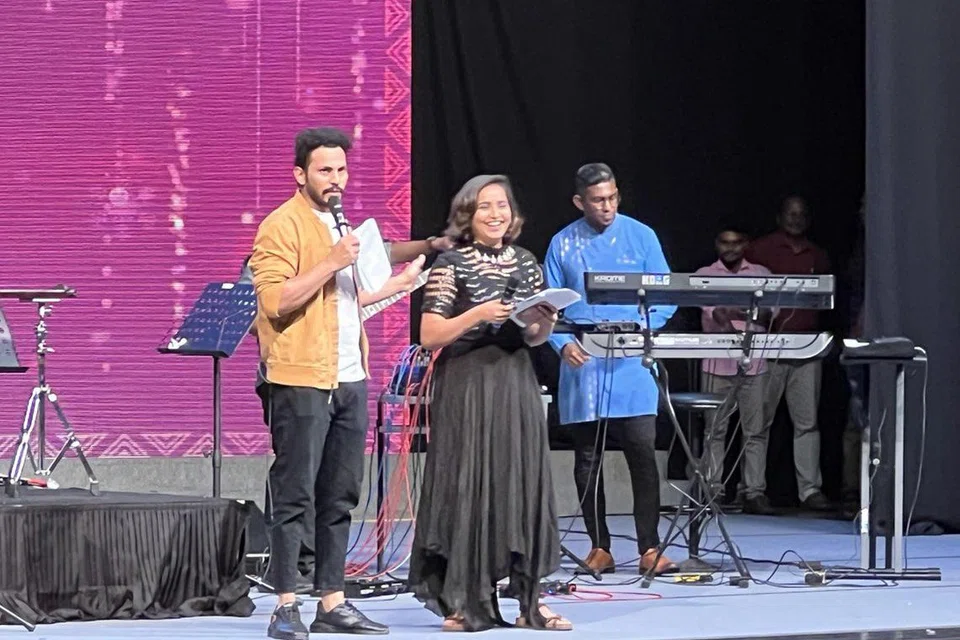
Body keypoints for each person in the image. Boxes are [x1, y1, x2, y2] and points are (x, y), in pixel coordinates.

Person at [250, 126, 427, 638]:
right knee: (295, 495)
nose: (336, 179)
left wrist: (397, 286)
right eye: (325, 170)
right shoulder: (280, 226)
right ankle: (286, 605)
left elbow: (344, 304)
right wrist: (331, 261)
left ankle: (332, 601)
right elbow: (276, 302)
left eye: (342, 170)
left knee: (340, 494)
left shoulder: (341, 225)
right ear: (300, 174)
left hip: (349, 375)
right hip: (300, 377)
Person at [240, 237, 452, 597]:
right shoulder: (273, 250)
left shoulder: (338, 242)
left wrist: (417, 264)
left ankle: (327, 580)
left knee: (337, 483)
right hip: (294, 379)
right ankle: (290, 570)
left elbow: (376, 262)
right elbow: (257, 316)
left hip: (343, 380)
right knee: (298, 476)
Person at [407, 174, 572, 632]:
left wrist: (546, 321)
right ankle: (466, 600)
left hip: (515, 381)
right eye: (485, 207)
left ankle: (529, 601)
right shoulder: (451, 263)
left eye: (502, 205)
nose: (496, 214)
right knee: (469, 483)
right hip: (467, 383)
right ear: (468, 214)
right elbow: (430, 334)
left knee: (519, 481)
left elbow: (534, 338)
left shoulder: (526, 261)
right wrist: (478, 313)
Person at [544, 162, 678, 576]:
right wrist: (563, 344)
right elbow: (548, 305)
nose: (607, 206)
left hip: (632, 358)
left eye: (612, 197)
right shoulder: (562, 243)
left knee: (641, 452)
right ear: (579, 202)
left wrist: (644, 331)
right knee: (587, 458)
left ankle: (649, 547)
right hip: (584, 358)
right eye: (598, 200)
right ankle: (599, 546)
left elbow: (667, 294)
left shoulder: (642, 235)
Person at [745, 195, 832, 511]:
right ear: (780, 217)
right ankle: (752, 490)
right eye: (790, 214)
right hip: (768, 349)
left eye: (801, 214)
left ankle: (810, 490)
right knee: (758, 424)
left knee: (807, 423)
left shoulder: (818, 254)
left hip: (807, 348)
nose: (796, 219)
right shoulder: (761, 249)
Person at [694, 225, 775, 515]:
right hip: (716, 363)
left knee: (755, 432)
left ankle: (753, 491)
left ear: (746, 244)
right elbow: (716, 314)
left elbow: (768, 313)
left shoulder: (761, 273)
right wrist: (742, 310)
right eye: (725, 242)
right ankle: (713, 490)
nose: (730, 248)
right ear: (717, 244)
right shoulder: (705, 274)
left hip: (755, 363)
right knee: (714, 431)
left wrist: (737, 310)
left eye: (736, 242)